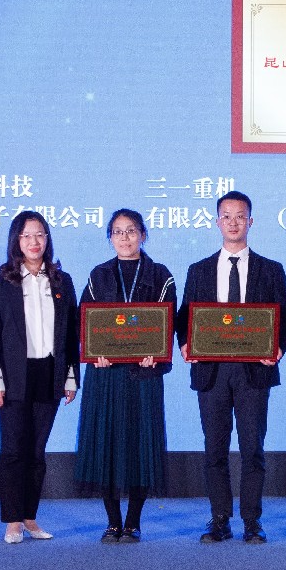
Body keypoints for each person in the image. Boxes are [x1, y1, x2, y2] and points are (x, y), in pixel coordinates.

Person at [177, 191, 286, 545]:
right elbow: (184, 317)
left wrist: (277, 349)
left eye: (240, 216)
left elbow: (285, 320)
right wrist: (185, 343)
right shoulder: (198, 270)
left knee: (252, 448)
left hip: (253, 371)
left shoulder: (271, 269)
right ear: (217, 222)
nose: (233, 222)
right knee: (214, 449)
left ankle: (252, 520)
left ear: (250, 221)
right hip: (211, 370)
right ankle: (219, 518)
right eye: (226, 216)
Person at [74, 209, 176, 544]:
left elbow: (168, 325)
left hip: (143, 376)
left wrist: (156, 354)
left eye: (131, 230)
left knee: (139, 449)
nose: (125, 237)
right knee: (105, 447)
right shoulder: (98, 275)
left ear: (143, 235)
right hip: (106, 377)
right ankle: (112, 522)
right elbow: (84, 322)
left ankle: (133, 522)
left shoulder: (160, 275)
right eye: (117, 232)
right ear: (110, 238)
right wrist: (94, 352)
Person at [0, 210, 79, 544]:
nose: (34, 242)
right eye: (26, 235)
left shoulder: (62, 281)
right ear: (16, 240)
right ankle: (12, 521)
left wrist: (71, 377)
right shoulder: (0, 281)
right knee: (13, 451)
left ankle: (30, 517)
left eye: (40, 235)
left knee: (37, 452)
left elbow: (71, 335)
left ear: (47, 239)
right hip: (12, 377)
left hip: (49, 373)